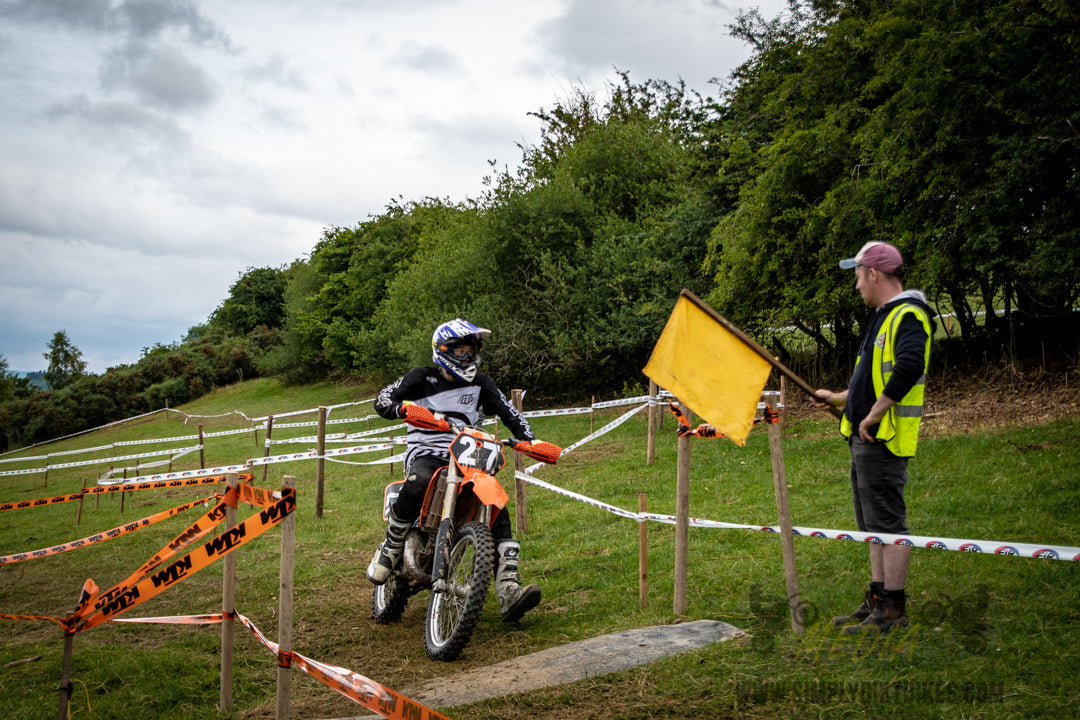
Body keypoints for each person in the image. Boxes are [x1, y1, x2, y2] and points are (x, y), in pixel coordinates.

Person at [367, 318, 543, 623]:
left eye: (472, 351)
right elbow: (383, 399)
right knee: (420, 480)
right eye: (461, 351)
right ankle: (391, 546)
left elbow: (509, 412)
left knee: (496, 503)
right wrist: (402, 409)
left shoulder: (482, 383)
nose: (468, 358)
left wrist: (530, 440)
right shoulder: (421, 377)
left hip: (468, 456)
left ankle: (508, 586)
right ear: (444, 350)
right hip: (427, 454)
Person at [814, 241, 936, 634]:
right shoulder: (884, 318)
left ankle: (894, 612)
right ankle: (878, 601)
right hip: (866, 437)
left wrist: (875, 415)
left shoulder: (909, 315)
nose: (856, 287)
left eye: (857, 277)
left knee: (888, 525)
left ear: (873, 274)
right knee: (871, 526)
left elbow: (911, 365)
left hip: (883, 438)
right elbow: (871, 378)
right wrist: (841, 398)